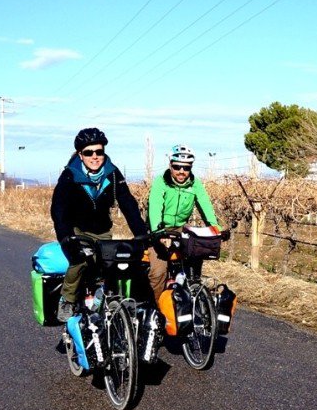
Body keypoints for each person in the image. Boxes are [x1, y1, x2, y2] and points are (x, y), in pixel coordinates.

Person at [51, 127, 148, 322]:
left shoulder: (112, 173)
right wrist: (65, 237)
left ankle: (109, 302)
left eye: (99, 151)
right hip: (77, 230)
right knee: (79, 261)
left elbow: (127, 203)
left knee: (111, 265)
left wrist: (141, 233)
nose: (95, 157)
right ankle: (67, 300)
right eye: (88, 152)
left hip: (102, 230)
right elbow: (58, 209)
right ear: (80, 154)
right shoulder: (70, 175)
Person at [147, 144, 221, 302]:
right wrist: (158, 232)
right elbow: (155, 207)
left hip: (180, 227)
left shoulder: (195, 184)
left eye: (186, 168)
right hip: (159, 228)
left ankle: (191, 295)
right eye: (177, 167)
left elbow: (205, 205)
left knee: (196, 251)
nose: (181, 171)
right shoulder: (161, 182)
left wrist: (215, 227)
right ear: (170, 165)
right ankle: (156, 308)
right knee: (158, 272)